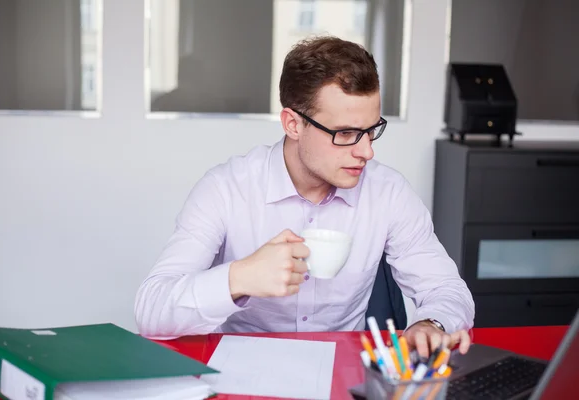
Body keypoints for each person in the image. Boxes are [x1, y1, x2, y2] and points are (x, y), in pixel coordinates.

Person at [135, 35, 475, 358]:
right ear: (293, 124)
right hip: (245, 373)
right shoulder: (226, 188)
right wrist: (239, 277)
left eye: (371, 131)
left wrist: (432, 323)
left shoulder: (388, 192)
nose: (367, 152)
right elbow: (151, 310)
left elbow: (447, 288)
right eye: (345, 133)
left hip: (346, 374)